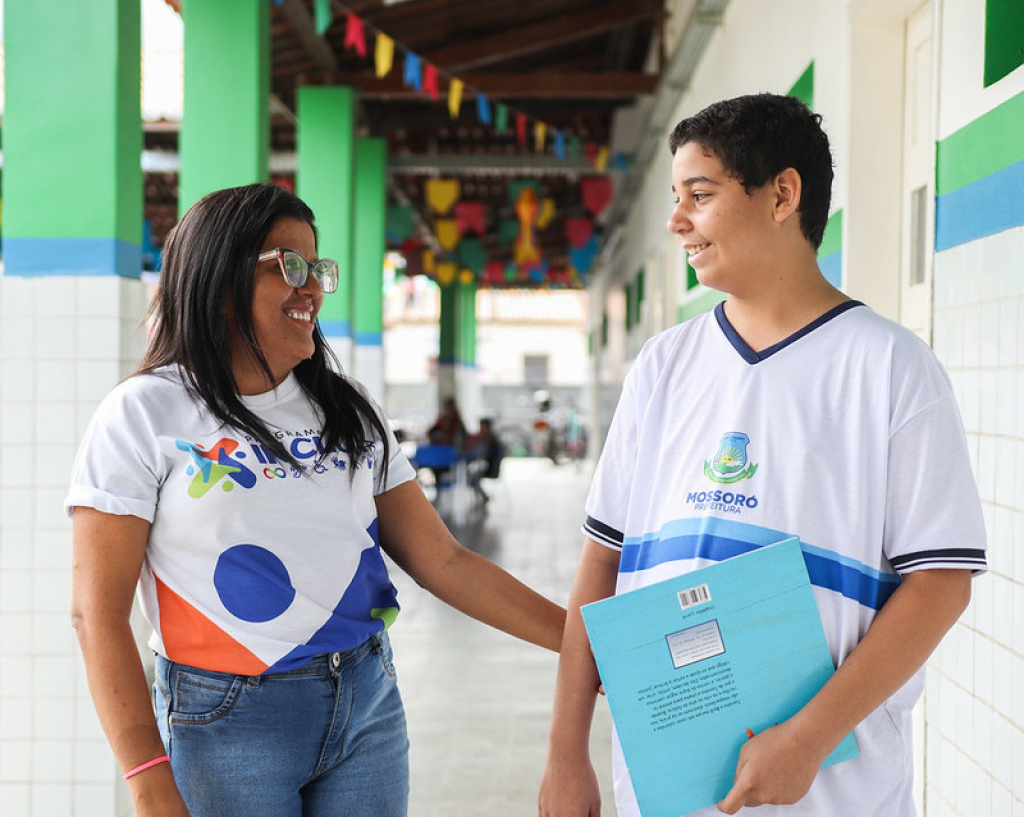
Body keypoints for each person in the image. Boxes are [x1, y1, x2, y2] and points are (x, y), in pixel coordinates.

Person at [538, 93, 987, 817]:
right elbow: (602, 559)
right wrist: (565, 753)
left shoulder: (890, 367)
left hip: (831, 793)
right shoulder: (663, 366)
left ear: (782, 193)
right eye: (675, 196)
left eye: (700, 195)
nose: (677, 220)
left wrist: (809, 738)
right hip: (663, 790)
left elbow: (941, 581)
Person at [66, 183, 566, 817]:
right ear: (220, 277)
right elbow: (97, 616)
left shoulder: (348, 408)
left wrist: (580, 642)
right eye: (290, 266)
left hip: (366, 700)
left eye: (317, 268)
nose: (314, 290)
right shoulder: (144, 413)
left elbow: (444, 561)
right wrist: (147, 779)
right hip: (227, 717)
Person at [465, 417, 505, 505]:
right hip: (483, 467)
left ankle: (483, 497)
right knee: (470, 477)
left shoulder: (491, 442)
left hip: (490, 469)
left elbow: (483, 457)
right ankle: (482, 497)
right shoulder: (481, 440)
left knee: (472, 479)